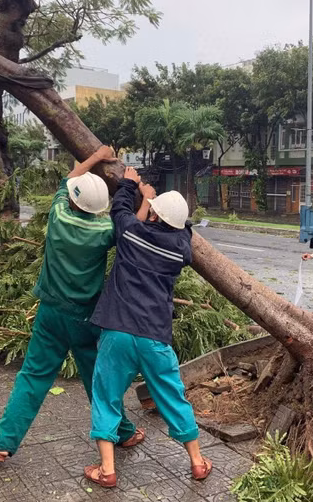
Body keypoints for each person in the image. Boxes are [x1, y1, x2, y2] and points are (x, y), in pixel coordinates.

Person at [0, 146, 143, 464]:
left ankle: (2, 444)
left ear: (72, 200)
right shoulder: (105, 231)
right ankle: (122, 433)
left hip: (50, 313)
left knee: (33, 376)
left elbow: (70, 178)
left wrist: (95, 158)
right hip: (86, 318)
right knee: (98, 379)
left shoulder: (58, 215)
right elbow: (131, 227)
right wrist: (133, 188)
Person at [83, 168, 212, 488]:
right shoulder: (179, 250)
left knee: (106, 396)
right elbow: (184, 231)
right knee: (173, 397)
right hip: (155, 337)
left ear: (153, 216)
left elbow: (119, 210)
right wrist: (158, 206)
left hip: (118, 332)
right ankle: (197, 462)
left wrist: (130, 184)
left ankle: (107, 470)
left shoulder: (130, 234)